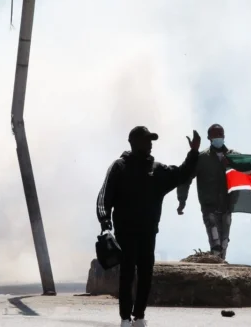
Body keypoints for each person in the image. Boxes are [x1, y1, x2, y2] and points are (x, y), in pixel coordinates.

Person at [96, 126, 201, 327]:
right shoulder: (119, 167)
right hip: (125, 232)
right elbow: (104, 198)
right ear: (133, 143)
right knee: (127, 274)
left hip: (148, 232)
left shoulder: (157, 170)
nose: (150, 145)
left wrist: (193, 152)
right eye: (146, 141)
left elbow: (182, 174)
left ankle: (139, 316)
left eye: (151, 141)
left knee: (146, 274)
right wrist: (105, 224)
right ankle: (125, 318)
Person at [176, 124, 239, 259]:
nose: (218, 137)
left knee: (224, 243)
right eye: (215, 135)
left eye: (220, 134)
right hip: (209, 206)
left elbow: (248, 171)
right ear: (209, 137)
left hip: (227, 206)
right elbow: (185, 177)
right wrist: (182, 200)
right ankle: (217, 264)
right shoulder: (202, 158)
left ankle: (220, 267)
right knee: (215, 242)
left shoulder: (233, 157)